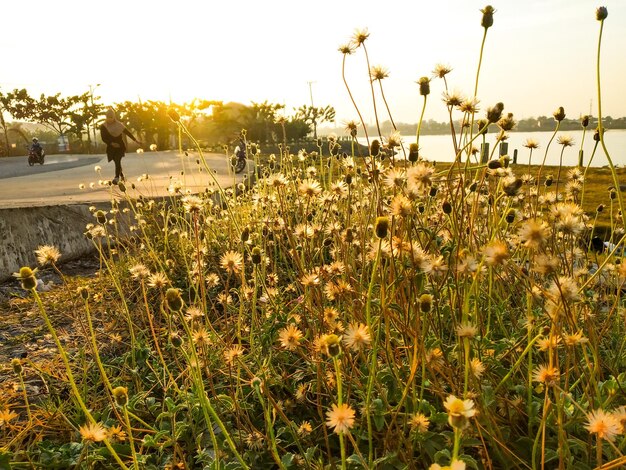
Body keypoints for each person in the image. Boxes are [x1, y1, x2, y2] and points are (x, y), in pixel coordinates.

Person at [99, 108, 141, 184]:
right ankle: (122, 176)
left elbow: (127, 132)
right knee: (116, 162)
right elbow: (103, 138)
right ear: (106, 117)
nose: (110, 119)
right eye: (108, 117)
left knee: (118, 160)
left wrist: (136, 140)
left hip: (120, 146)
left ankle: (116, 178)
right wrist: (111, 143)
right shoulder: (103, 126)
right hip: (111, 147)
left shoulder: (119, 125)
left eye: (111, 117)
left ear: (114, 117)